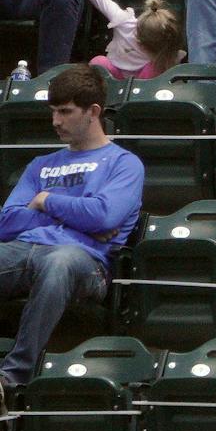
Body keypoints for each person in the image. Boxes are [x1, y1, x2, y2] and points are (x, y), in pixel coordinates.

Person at [0, 64, 140, 402]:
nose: (55, 121)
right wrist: (75, 217)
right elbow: (6, 223)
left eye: (65, 112)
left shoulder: (124, 163)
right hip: (26, 249)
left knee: (59, 262)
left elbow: (106, 215)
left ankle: (10, 377)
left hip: (85, 262)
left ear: (93, 112)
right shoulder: (41, 165)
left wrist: (45, 200)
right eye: (53, 112)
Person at [75, 0, 184, 81]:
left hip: (143, 83)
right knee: (99, 62)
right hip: (116, 75)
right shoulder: (125, 23)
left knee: (155, 67)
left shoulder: (165, 49)